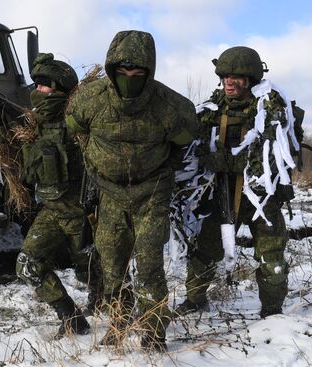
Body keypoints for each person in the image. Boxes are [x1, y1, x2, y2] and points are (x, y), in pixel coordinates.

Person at [66, 30, 198, 352]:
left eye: (137, 73)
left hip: (151, 193)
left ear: (149, 72)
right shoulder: (90, 99)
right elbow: (76, 129)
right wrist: (101, 162)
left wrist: (160, 168)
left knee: (150, 263)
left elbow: (184, 142)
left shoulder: (171, 106)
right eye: (122, 72)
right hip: (109, 193)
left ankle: (154, 333)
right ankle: (120, 321)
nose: (129, 79)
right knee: (111, 264)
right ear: (111, 70)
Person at [176, 46, 300, 319]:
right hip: (220, 194)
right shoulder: (210, 110)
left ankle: (272, 312)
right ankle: (195, 299)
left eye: (238, 77)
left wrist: (227, 162)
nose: (230, 82)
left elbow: (271, 159)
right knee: (204, 252)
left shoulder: (272, 111)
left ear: (252, 79)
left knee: (272, 259)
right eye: (226, 76)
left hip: (260, 200)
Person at [13, 53, 102, 338]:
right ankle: (71, 316)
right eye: (36, 85)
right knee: (28, 264)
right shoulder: (35, 125)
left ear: (60, 89)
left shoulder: (79, 120)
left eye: (44, 86)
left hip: (80, 213)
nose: (38, 91)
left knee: (90, 272)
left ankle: (113, 310)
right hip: (52, 210)